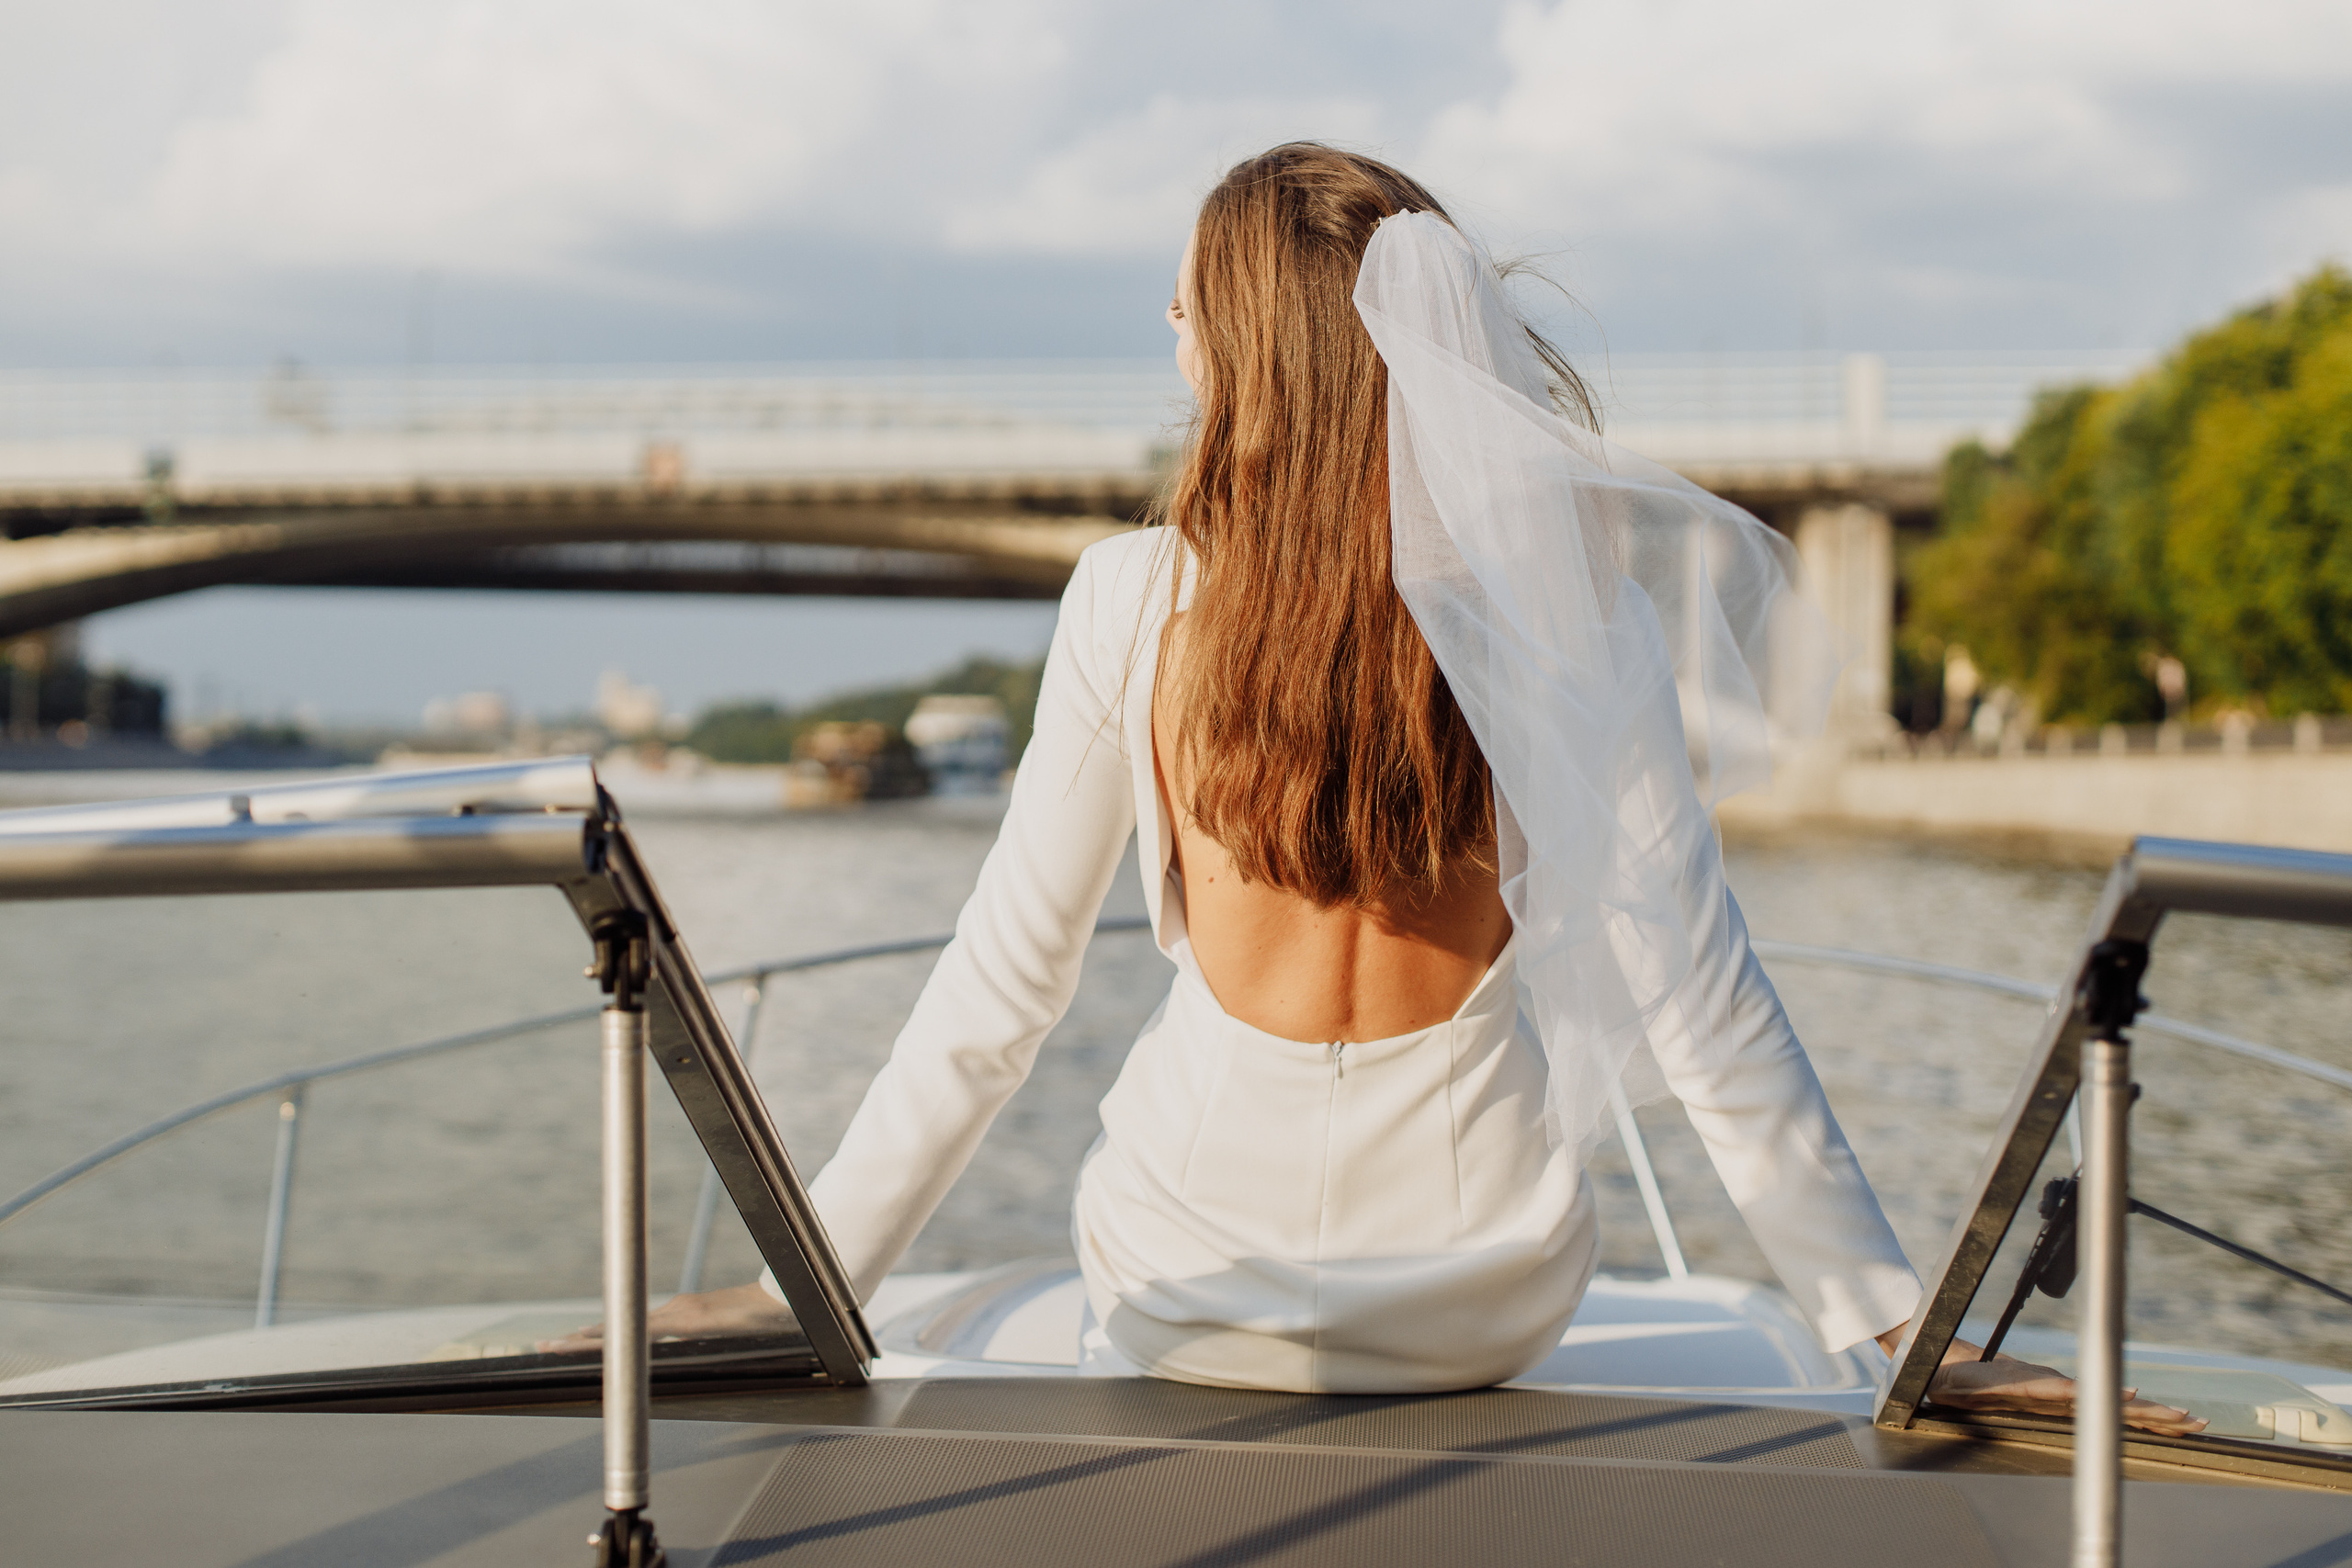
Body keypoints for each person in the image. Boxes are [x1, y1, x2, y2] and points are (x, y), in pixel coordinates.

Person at [550, 144, 2199, 1432]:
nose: (1170, 336)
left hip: (1190, 1290)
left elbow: (1003, 994)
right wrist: (1895, 1330)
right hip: (1481, 1303)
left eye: (1190, 306)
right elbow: (1704, 1005)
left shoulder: (1130, 603)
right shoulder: (1579, 619)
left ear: (1251, 351)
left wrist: (808, 1281)